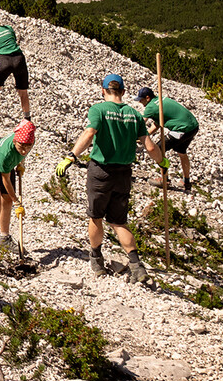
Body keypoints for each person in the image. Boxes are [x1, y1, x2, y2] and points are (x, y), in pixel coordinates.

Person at [56, 75, 163, 282]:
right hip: (123, 174)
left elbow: (89, 133)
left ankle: (96, 259)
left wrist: (71, 156)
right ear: (123, 92)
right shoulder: (135, 114)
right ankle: (136, 265)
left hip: (101, 171)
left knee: (96, 217)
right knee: (119, 221)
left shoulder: (99, 110)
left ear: (103, 91)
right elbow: (150, 146)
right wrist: (162, 163)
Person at [0, 120, 36, 249]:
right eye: (21, 146)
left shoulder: (29, 140)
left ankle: (4, 238)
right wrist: (17, 202)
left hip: (7, 166)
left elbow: (24, 151)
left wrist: (21, 163)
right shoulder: (6, 154)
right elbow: (6, 180)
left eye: (28, 146)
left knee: (7, 201)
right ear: (15, 141)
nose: (24, 150)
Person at [135, 87, 198, 192]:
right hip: (192, 127)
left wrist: (135, 136)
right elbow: (157, 124)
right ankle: (186, 181)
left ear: (147, 97)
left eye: (141, 100)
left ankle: (164, 180)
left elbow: (140, 124)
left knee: (159, 149)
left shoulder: (150, 107)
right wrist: (143, 137)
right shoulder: (160, 100)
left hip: (181, 129)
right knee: (181, 152)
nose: (140, 102)